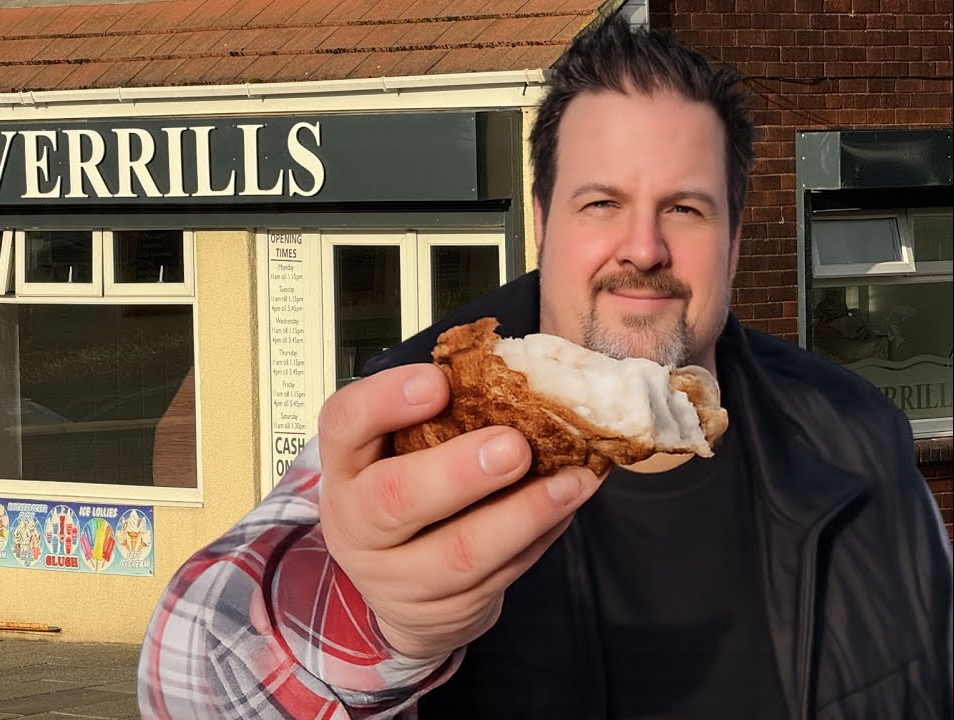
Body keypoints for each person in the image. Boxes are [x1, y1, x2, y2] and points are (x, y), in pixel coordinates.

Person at [138, 16, 952, 719]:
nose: (644, 247)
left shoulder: (860, 434)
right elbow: (188, 666)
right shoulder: (421, 414)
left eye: (686, 208)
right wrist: (375, 620)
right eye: (602, 203)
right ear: (542, 224)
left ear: (736, 242)